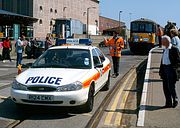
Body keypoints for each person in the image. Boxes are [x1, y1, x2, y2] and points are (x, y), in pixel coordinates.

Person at [159, 35, 180, 108]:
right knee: (165, 87)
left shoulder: (174, 49)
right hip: (164, 69)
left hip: (171, 69)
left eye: (162, 41)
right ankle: (168, 103)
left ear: (166, 41)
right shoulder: (164, 49)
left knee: (171, 86)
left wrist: (174, 69)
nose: (161, 42)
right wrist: (161, 70)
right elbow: (162, 60)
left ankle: (175, 99)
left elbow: (178, 61)